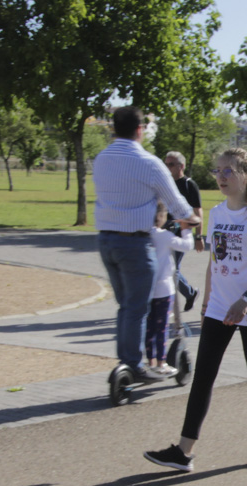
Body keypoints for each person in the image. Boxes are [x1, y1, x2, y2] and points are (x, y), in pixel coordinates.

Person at [144, 148, 247, 472]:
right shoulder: (218, 212)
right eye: (218, 171)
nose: (221, 177)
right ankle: (184, 451)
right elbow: (215, 260)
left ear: (246, 175)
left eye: (228, 171)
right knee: (204, 376)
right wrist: (209, 300)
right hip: (221, 305)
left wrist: (246, 298)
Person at [93, 106, 197, 382]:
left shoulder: (101, 158)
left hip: (106, 240)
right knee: (138, 308)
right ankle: (132, 365)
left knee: (126, 306)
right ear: (140, 130)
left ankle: (127, 362)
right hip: (135, 244)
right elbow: (176, 203)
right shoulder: (149, 163)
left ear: (114, 128)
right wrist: (192, 219)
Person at [144, 202, 195, 376]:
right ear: (160, 216)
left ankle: (150, 362)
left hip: (147, 290)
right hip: (164, 290)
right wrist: (186, 228)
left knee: (149, 327)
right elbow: (187, 245)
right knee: (162, 327)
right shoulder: (164, 235)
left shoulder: (142, 235)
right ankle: (161, 363)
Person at [163, 151, 203, 312]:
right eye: (166, 164)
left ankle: (184, 296)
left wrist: (198, 236)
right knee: (164, 267)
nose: (167, 167)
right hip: (165, 230)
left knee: (172, 269)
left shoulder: (189, 184)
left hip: (181, 231)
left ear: (182, 166)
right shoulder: (166, 183)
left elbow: (198, 212)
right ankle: (189, 294)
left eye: (171, 164)